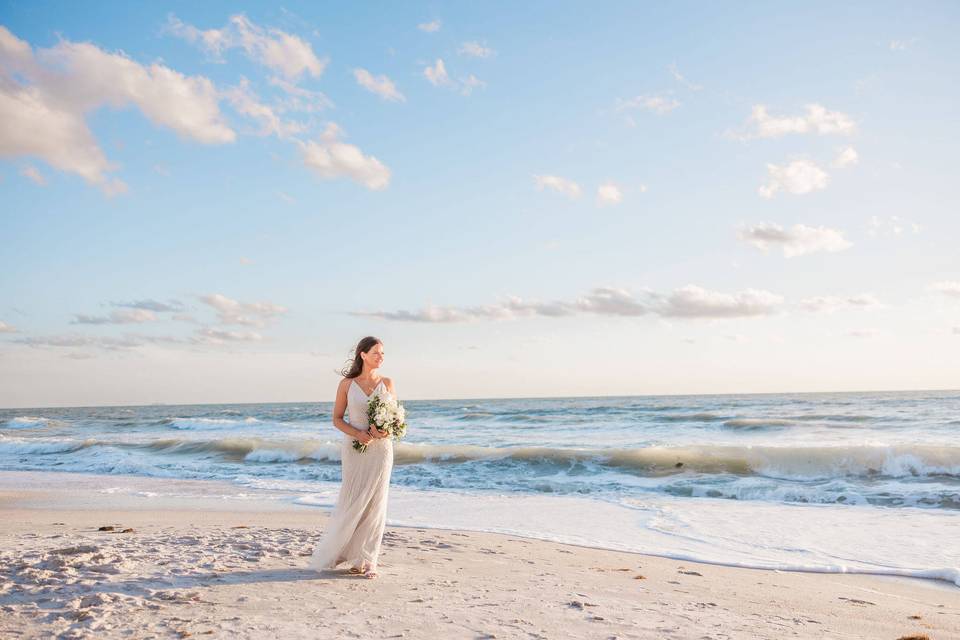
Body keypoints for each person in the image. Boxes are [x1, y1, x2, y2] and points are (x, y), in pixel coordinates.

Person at [309, 336, 396, 578]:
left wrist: (385, 430)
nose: (381, 357)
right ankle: (349, 553)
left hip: (381, 450)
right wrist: (358, 433)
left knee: (376, 502)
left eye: (383, 353)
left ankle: (368, 560)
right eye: (376, 353)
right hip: (355, 449)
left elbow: (395, 420)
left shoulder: (387, 382)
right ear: (363, 355)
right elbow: (336, 419)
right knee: (353, 498)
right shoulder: (347, 384)